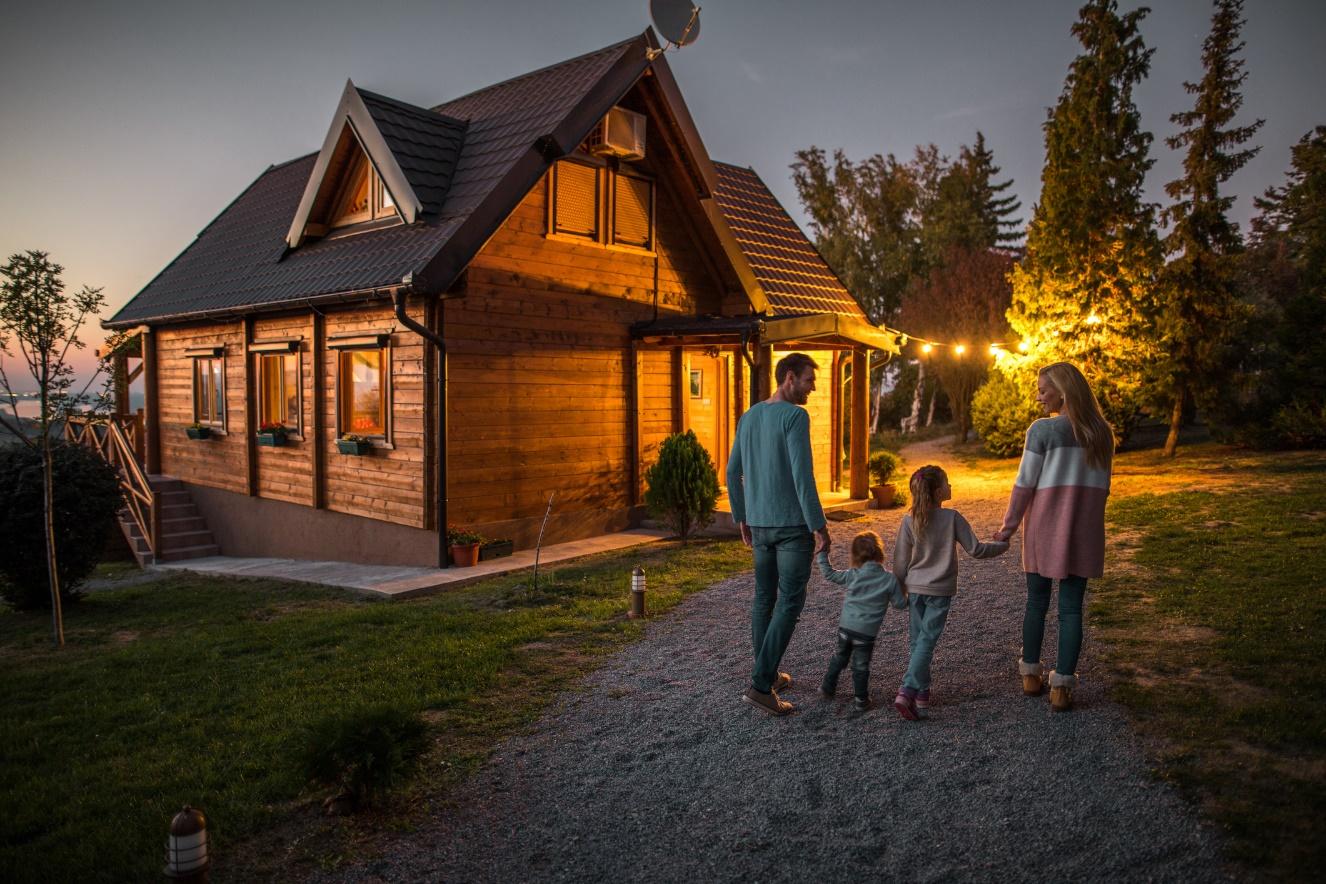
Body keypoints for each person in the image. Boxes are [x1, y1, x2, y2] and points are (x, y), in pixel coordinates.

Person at [992, 362, 1114, 712]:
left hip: (1045, 529)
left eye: (1043, 389)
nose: (1038, 396)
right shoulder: (1102, 433)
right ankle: (1062, 687)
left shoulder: (1042, 431)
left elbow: (1024, 485)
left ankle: (1031, 675)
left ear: (1063, 390)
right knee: (1072, 610)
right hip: (1084, 532)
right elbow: (1103, 489)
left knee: (1037, 602)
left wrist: (1009, 526)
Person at [726, 352, 831, 716]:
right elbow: (803, 477)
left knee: (763, 599)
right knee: (789, 602)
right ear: (789, 377)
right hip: (791, 527)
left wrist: (741, 515)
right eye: (808, 380)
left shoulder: (750, 416)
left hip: (759, 524)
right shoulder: (795, 417)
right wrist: (819, 525)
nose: (812, 388)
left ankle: (765, 675)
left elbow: (731, 472)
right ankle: (760, 684)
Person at [892, 464, 1008, 721]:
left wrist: (898, 591)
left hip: (914, 589)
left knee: (918, 641)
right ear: (937, 491)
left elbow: (900, 561)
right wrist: (1003, 546)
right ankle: (907, 689)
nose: (951, 486)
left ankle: (922, 694)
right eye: (947, 483)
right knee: (927, 642)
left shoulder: (908, 520)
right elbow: (976, 549)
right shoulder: (952, 517)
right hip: (939, 591)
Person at [815, 530, 907, 711]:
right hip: (866, 633)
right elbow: (900, 604)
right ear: (879, 553)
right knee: (861, 665)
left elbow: (830, 574)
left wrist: (822, 555)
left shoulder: (853, 574)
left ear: (855, 555)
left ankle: (827, 687)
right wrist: (909, 591)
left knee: (840, 657)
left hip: (846, 627)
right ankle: (861, 700)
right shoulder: (889, 579)